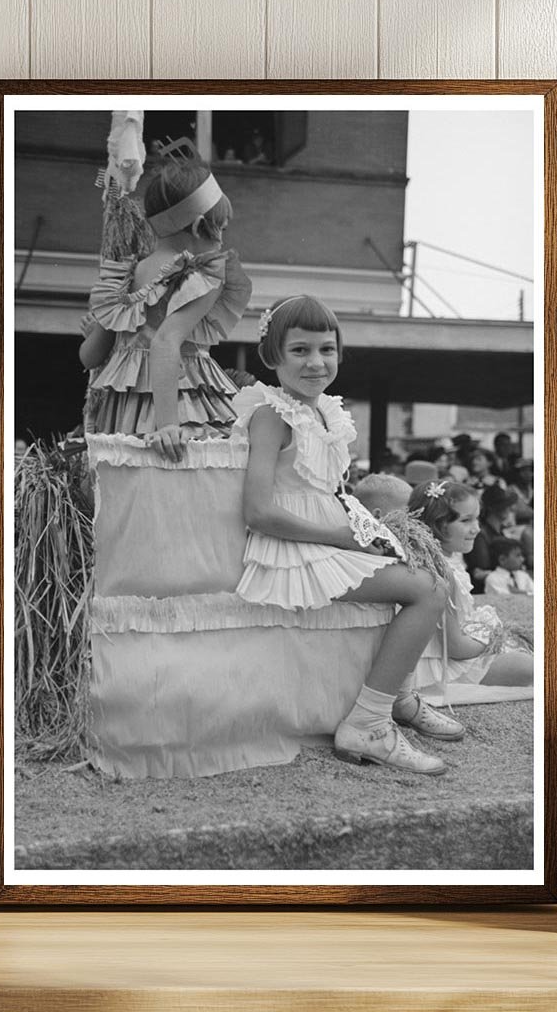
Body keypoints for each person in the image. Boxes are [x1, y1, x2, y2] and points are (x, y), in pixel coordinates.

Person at [233, 295, 454, 775]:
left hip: (329, 535)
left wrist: (369, 529)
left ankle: (401, 698)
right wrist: (342, 538)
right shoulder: (272, 415)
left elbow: (327, 491)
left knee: (424, 565)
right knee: (428, 593)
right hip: (293, 549)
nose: (316, 362)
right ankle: (370, 724)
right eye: (300, 351)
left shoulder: (326, 413)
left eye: (327, 350)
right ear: (272, 356)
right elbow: (258, 511)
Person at [80, 157, 252, 460]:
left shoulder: (125, 277)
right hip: (179, 410)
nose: (222, 239)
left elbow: (90, 356)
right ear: (200, 227)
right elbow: (165, 341)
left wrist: (96, 330)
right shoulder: (201, 277)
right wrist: (168, 425)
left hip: (123, 416)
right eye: (221, 229)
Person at [406, 479, 534, 698]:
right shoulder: (441, 573)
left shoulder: (450, 560)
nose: (476, 529)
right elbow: (455, 647)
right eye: (466, 520)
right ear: (437, 524)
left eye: (477, 519)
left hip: (458, 650)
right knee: (529, 667)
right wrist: (492, 638)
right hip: (447, 663)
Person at [466, 484, 518, 593]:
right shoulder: (481, 535)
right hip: (488, 589)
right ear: (493, 508)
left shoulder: (500, 532)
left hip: (504, 583)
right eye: (505, 505)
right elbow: (481, 569)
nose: (509, 508)